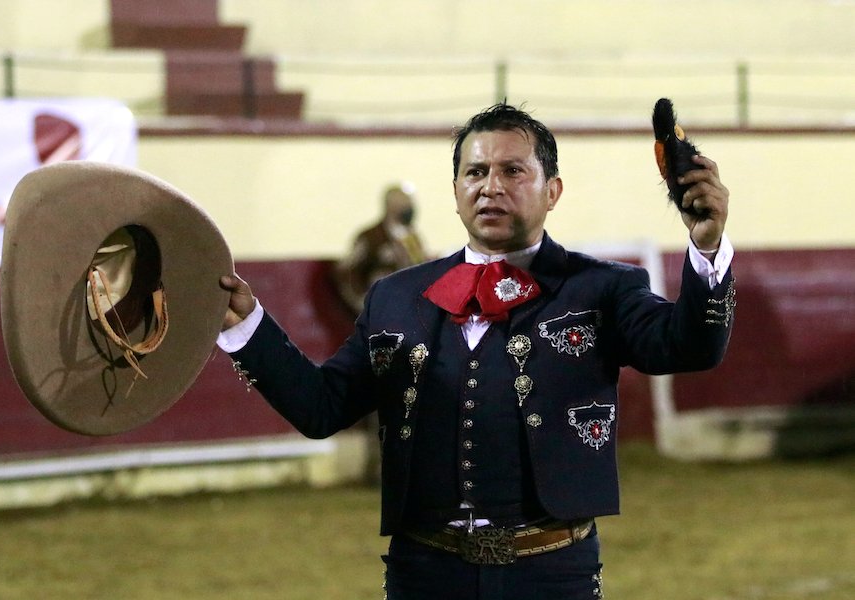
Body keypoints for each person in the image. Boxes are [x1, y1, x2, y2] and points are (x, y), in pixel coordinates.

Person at [217, 103, 735, 599]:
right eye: (476, 172)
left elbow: (688, 347)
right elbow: (321, 406)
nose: (491, 186)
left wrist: (707, 247)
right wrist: (248, 327)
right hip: (425, 576)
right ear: (455, 191)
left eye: (513, 171)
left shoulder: (603, 287)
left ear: (552, 191)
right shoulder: (395, 297)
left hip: (552, 574)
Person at [334, 182, 429, 315]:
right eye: (403, 203)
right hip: (380, 310)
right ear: (390, 206)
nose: (409, 207)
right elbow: (348, 270)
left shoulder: (412, 238)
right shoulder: (370, 237)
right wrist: (360, 301)